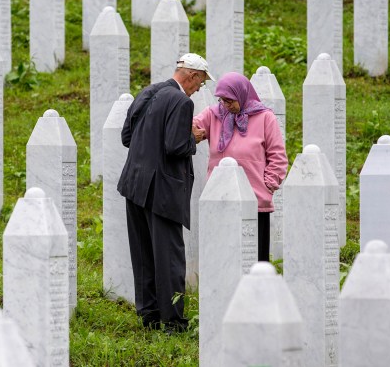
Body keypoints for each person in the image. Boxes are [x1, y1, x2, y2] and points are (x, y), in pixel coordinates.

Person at [117, 53, 213, 332]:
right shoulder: (183, 102)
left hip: (134, 184)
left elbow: (127, 137)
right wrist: (193, 138)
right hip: (163, 190)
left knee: (143, 252)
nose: (199, 89)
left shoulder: (148, 92)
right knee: (170, 255)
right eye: (201, 83)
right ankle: (173, 322)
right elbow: (175, 147)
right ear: (192, 76)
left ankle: (149, 314)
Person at [192, 72, 288, 262]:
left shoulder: (265, 117)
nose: (226, 106)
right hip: (220, 197)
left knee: (253, 258)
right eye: (222, 100)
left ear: (242, 94)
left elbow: (278, 155)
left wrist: (267, 184)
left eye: (230, 101)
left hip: (255, 199)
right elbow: (191, 125)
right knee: (224, 259)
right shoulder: (214, 114)